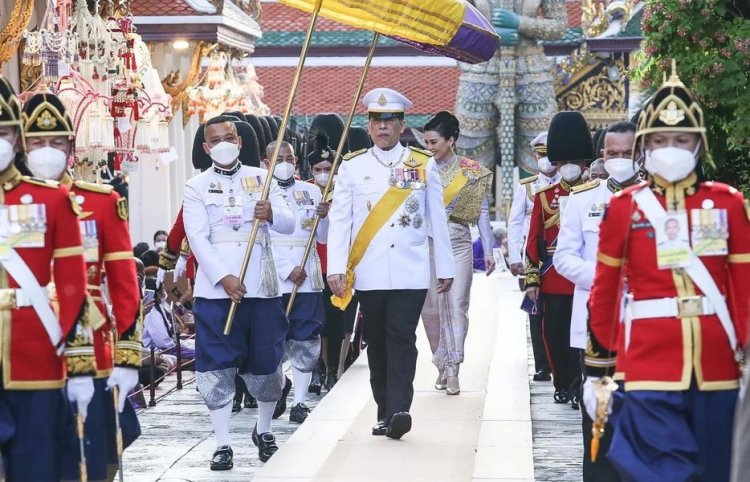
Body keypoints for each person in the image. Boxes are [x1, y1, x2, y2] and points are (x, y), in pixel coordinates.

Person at [585, 64, 749, 481]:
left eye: (681, 139)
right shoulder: (625, 207)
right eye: (660, 140)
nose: (671, 147)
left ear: (698, 145)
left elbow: (743, 287)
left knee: (715, 470)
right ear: (646, 146)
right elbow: (604, 293)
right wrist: (598, 369)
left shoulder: (727, 204)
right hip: (647, 363)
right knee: (663, 471)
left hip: (717, 364)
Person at [21, 92, 143, 481]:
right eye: (37, 143)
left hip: (90, 343)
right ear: (20, 145)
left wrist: (127, 354)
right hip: (23, 338)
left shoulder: (102, 203)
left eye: (56, 142)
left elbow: (124, 283)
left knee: (93, 451)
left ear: (71, 146)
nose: (46, 151)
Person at [327, 88, 455, 439]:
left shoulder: (421, 162)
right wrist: (335, 268)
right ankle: (384, 409)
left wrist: (445, 267)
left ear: (401, 125)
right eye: (376, 121)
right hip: (369, 270)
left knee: (402, 337)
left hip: (410, 268)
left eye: (389, 121)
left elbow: (436, 218)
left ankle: (400, 409)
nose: (382, 127)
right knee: (378, 342)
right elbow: (340, 221)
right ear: (368, 126)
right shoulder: (353, 167)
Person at [183, 115, 294, 469]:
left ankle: (264, 431)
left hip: (261, 284)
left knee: (266, 362)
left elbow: (291, 222)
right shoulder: (195, 186)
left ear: (240, 141)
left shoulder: (263, 179)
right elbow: (197, 237)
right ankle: (222, 443)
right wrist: (223, 277)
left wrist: (272, 211)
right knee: (217, 365)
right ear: (206, 147)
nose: (223, 143)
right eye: (215, 139)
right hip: (217, 291)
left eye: (229, 136)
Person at [0, 78, 95, 480]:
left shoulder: (52, 200)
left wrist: (81, 363)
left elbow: (73, 286)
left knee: (35, 464)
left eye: (2, 132)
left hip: (35, 349)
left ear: (18, 139)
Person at [554, 120, 638, 481]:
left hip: (647, 325)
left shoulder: (659, 201)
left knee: (642, 415)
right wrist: (607, 277)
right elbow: (563, 257)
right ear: (601, 155)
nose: (619, 160)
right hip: (595, 324)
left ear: (641, 155)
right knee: (598, 418)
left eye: (628, 153)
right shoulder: (582, 200)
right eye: (612, 153)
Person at [420, 111, 494, 396]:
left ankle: (454, 369)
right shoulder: (421, 169)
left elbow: (483, 211)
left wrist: (488, 250)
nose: (429, 148)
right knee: (431, 309)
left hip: (459, 243)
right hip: (427, 245)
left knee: (457, 306)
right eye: (426, 142)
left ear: (451, 140)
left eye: (434, 142)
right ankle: (440, 360)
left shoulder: (471, 171)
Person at [524, 111, 593, 405]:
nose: (569, 168)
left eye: (574, 163)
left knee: (583, 335)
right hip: (554, 277)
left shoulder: (594, 193)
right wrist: (532, 278)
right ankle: (561, 381)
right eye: (563, 162)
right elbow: (533, 240)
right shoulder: (543, 197)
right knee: (554, 335)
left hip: (585, 273)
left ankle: (579, 384)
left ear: (584, 163)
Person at [263, 139, 329, 424]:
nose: (285, 163)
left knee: (305, 339)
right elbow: (260, 239)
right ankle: (276, 390)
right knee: (272, 341)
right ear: (266, 163)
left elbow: (322, 236)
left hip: (307, 277)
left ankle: (300, 402)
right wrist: (286, 269)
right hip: (274, 278)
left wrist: (325, 217)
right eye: (278, 159)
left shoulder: (311, 191)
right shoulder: (260, 193)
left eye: (289, 158)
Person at [508, 132, 558, 381]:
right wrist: (514, 257)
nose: (546, 159)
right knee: (535, 309)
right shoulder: (526, 187)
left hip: (558, 254)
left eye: (550, 155)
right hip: (533, 257)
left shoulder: (572, 184)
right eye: (541, 154)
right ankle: (542, 365)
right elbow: (515, 222)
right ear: (534, 156)